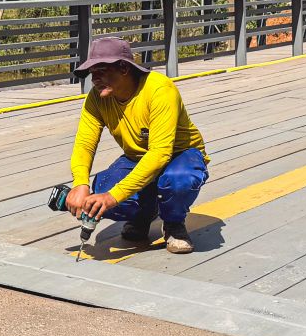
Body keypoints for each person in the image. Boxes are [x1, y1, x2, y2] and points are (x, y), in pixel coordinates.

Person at [66, 36, 210, 254]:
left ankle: (173, 223)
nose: (94, 79)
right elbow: (85, 143)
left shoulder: (159, 90)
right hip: (138, 157)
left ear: (124, 68)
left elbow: (160, 154)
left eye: (101, 70)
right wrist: (80, 183)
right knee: (101, 190)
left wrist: (114, 196)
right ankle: (144, 215)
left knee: (178, 181)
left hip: (180, 154)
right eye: (91, 72)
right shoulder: (97, 98)